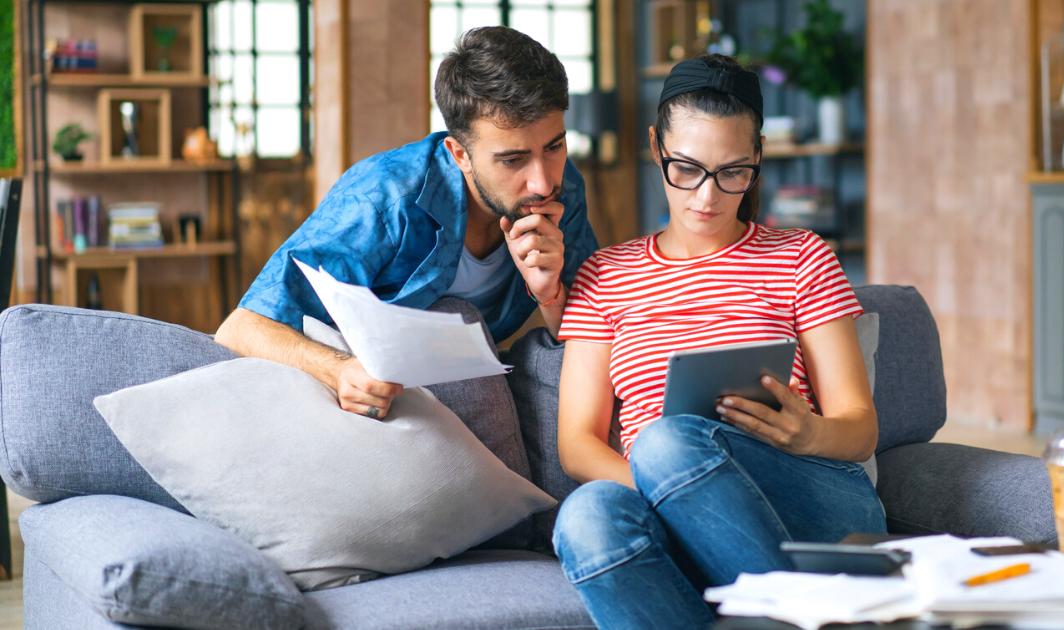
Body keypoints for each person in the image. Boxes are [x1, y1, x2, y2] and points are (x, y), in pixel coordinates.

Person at [551, 54, 886, 629]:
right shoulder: (605, 275)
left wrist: (810, 433)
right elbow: (577, 444)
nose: (707, 197)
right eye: (686, 168)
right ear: (657, 146)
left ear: (757, 158)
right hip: (666, 496)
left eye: (733, 172)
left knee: (664, 442)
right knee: (587, 515)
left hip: (811, 494)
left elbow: (860, 428)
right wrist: (670, 492)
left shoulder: (801, 257)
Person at [215, 26, 599, 418]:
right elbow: (241, 327)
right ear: (459, 154)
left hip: (474, 379)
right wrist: (339, 370)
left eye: (554, 146)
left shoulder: (562, 187)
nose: (543, 181)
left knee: (565, 364)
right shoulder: (384, 197)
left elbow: (593, 332)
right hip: (366, 390)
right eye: (512, 160)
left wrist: (550, 294)